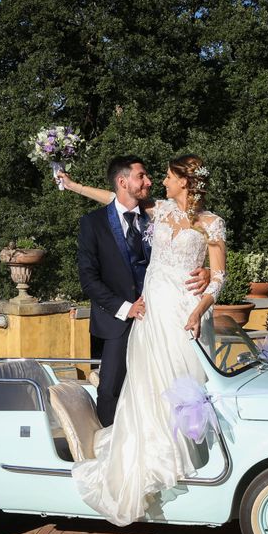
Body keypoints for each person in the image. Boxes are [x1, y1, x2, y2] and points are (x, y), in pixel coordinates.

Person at [59, 154, 226, 527]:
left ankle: (194, 463)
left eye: (166, 176)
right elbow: (113, 198)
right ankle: (154, 464)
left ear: (184, 181)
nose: (158, 181)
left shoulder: (212, 224)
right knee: (148, 388)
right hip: (153, 314)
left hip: (184, 311)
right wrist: (73, 186)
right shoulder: (160, 210)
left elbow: (218, 277)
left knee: (186, 385)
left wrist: (199, 308)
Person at [71, 156, 211, 427]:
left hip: (163, 314)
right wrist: (126, 308)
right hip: (118, 319)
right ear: (123, 182)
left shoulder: (159, 214)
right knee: (110, 388)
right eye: (142, 176)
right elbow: (88, 280)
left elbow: (189, 243)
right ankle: (110, 445)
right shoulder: (93, 223)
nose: (150, 182)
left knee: (164, 384)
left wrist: (203, 269)